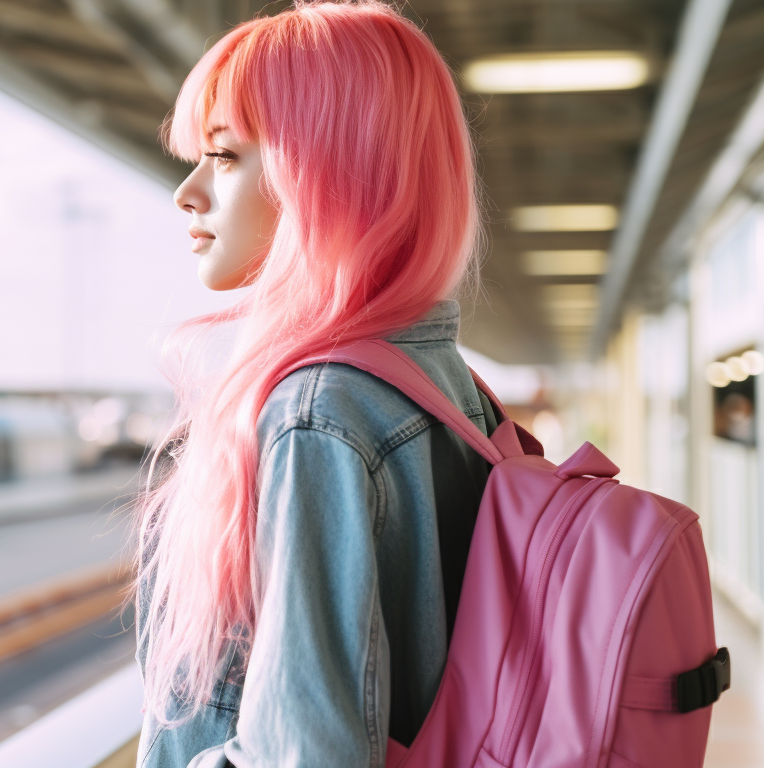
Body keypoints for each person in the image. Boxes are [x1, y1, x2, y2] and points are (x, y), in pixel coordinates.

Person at [134, 3, 494, 766]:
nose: (188, 192)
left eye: (226, 157)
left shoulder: (317, 412)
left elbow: (306, 754)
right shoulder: (453, 390)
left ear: (326, 172)